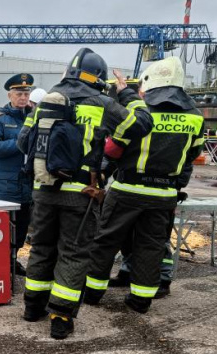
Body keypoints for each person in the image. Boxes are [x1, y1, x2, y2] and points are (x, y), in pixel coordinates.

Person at [17, 48, 152, 340]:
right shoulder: (102, 102)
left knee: (41, 248)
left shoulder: (49, 100)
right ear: (98, 78)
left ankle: (32, 307)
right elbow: (141, 125)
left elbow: (22, 142)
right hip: (81, 193)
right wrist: (128, 94)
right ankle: (61, 317)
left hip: (43, 190)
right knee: (74, 254)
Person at [84, 57, 204, 314]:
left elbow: (114, 150)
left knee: (106, 241)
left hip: (128, 190)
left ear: (149, 84)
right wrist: (176, 185)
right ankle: (141, 300)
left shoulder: (141, 112)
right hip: (164, 195)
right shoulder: (195, 116)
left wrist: (102, 173)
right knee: (151, 247)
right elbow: (192, 156)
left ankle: (92, 293)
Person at [0, 73, 35, 276]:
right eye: (19, 93)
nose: (23, 97)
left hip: (27, 182)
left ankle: (13, 260)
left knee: (22, 225)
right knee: (4, 226)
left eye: (26, 93)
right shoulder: (0, 120)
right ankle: (1, 262)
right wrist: (19, 144)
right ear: (9, 95)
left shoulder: (33, 117)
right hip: (6, 185)